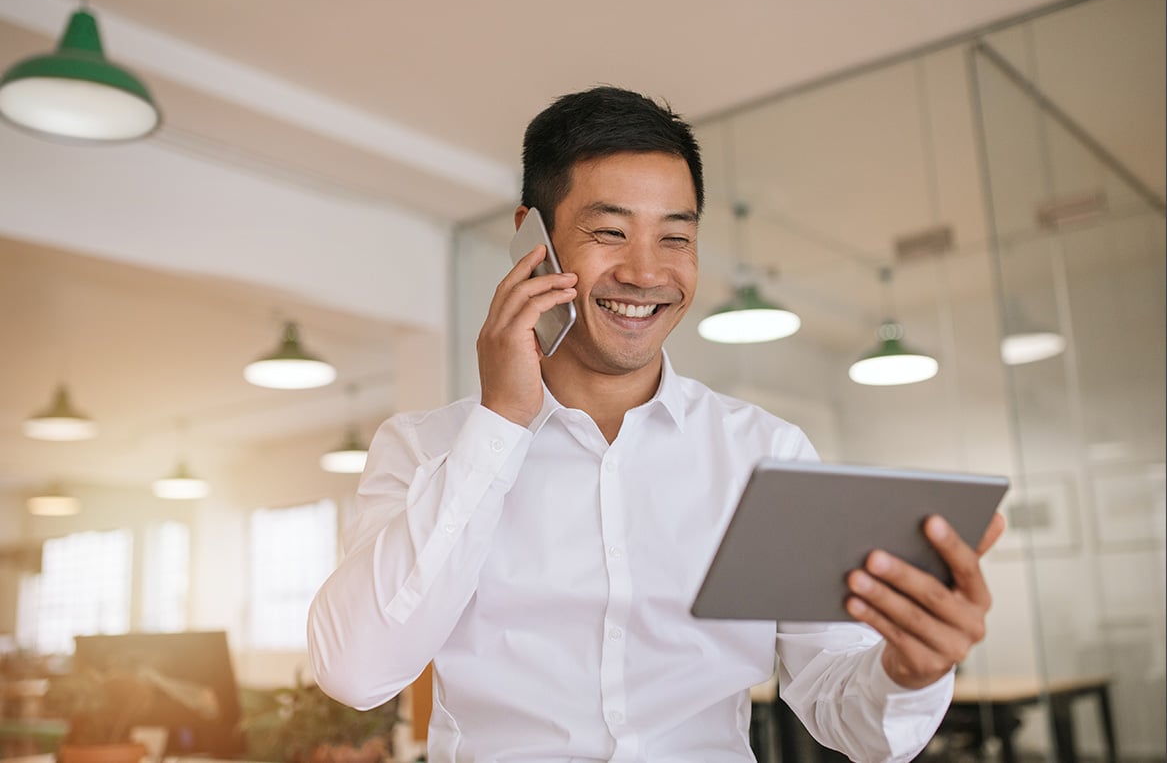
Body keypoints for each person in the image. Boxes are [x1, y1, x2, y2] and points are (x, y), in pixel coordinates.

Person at [308, 86, 1006, 762]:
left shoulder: (764, 452)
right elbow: (355, 673)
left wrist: (907, 674)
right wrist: (501, 422)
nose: (646, 273)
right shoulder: (424, 448)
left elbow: (845, 716)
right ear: (535, 239)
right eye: (609, 232)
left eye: (675, 237)